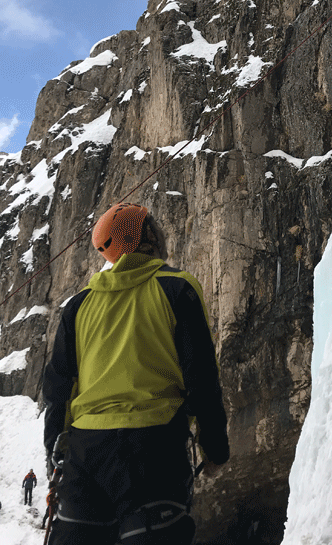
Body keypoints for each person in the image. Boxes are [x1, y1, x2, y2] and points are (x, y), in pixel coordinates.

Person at [43, 202, 230, 545]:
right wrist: (214, 447)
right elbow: (200, 376)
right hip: (153, 449)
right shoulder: (177, 288)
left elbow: (59, 387)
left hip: (86, 454)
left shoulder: (79, 305)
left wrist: (55, 454)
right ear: (146, 236)